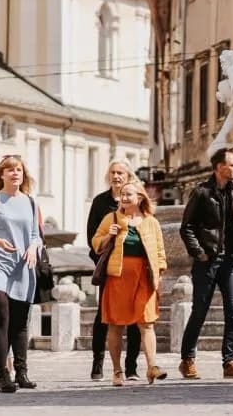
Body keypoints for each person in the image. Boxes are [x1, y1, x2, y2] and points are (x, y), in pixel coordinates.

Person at [178, 147, 233, 380]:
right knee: (200, 311)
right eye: (232, 164)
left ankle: (230, 362)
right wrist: (199, 253)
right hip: (207, 261)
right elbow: (186, 227)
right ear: (220, 167)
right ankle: (187, 360)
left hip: (231, 261)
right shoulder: (201, 192)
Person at [0, 155, 42, 394]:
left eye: (19, 170)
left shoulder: (31, 203)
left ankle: (22, 372)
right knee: (1, 314)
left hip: (23, 265)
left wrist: (34, 246)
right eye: (10, 170)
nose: (15, 173)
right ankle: (4, 373)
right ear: (1, 175)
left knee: (20, 321)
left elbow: (36, 234)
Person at [91, 180, 167, 387]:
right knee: (116, 325)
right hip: (118, 276)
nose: (124, 198)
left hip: (144, 277)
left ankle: (152, 367)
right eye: (122, 194)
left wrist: (158, 274)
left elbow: (160, 252)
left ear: (140, 198)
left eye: (129, 194)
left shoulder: (151, 222)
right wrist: (109, 235)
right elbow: (96, 243)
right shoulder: (112, 218)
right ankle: (117, 371)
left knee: (146, 322)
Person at [85, 160, 141, 381]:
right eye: (113, 172)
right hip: (110, 269)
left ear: (128, 176)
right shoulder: (101, 202)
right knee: (104, 317)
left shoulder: (137, 200)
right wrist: (103, 260)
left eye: (121, 173)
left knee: (135, 318)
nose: (116, 176)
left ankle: (132, 367)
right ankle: (97, 364)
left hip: (134, 270)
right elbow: (92, 237)